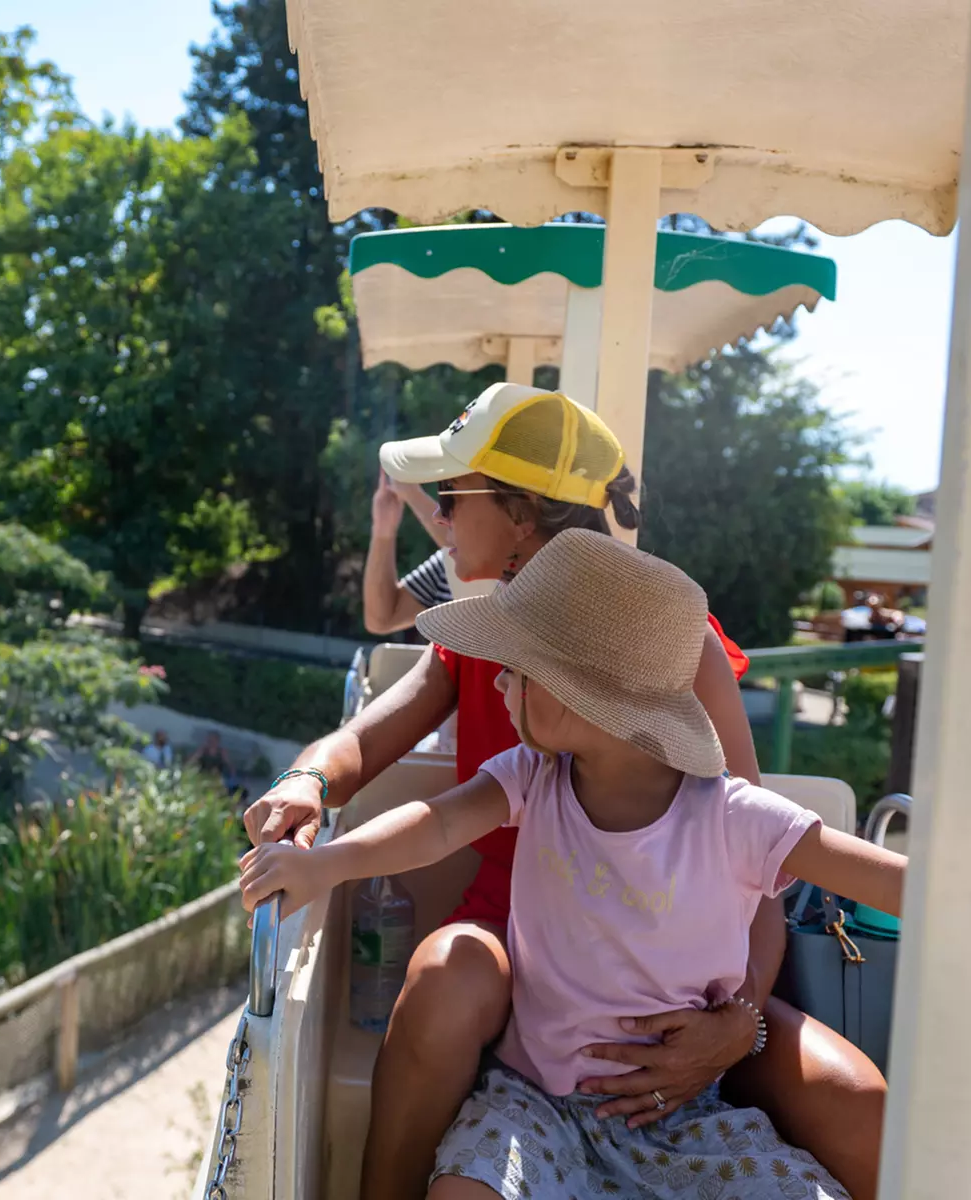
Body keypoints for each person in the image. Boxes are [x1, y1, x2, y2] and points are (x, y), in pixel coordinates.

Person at [241, 530, 971, 1200]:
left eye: (522, 670)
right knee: (463, 1190)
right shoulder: (529, 777)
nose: (500, 682)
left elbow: (927, 896)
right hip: (536, 1104)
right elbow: (428, 826)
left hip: (687, 1117)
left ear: (597, 704)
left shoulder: (744, 821)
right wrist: (326, 866)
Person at [245, 383, 888, 1199]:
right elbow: (369, 736)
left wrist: (736, 1024)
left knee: (859, 1101)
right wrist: (306, 780)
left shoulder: (656, 645)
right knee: (447, 979)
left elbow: (746, 860)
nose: (438, 518)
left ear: (518, 514)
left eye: (451, 496)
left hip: (673, 968)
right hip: (517, 941)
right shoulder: (488, 634)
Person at [366, 468, 457, 635]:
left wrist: (413, 495)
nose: (439, 515)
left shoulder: (511, 571)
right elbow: (380, 620)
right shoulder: (447, 562)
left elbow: (463, 546)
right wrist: (383, 531)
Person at [193, 730, 243, 796]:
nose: (211, 742)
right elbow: (192, 760)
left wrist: (233, 775)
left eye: (213, 740)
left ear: (217, 741)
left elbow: (229, 764)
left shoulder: (222, 752)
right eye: (210, 740)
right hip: (203, 775)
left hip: (216, 776)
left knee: (221, 791)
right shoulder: (203, 750)